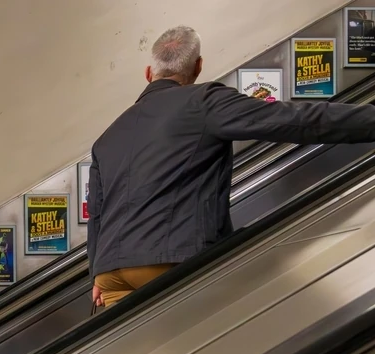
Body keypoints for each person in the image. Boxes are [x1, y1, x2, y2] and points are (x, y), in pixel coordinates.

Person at [88, 26, 375, 308]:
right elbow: (292, 120)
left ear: (149, 74)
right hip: (170, 258)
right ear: (198, 67)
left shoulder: (106, 138)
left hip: (110, 274)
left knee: (148, 352)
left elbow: (97, 214)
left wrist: (96, 273)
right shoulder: (203, 101)